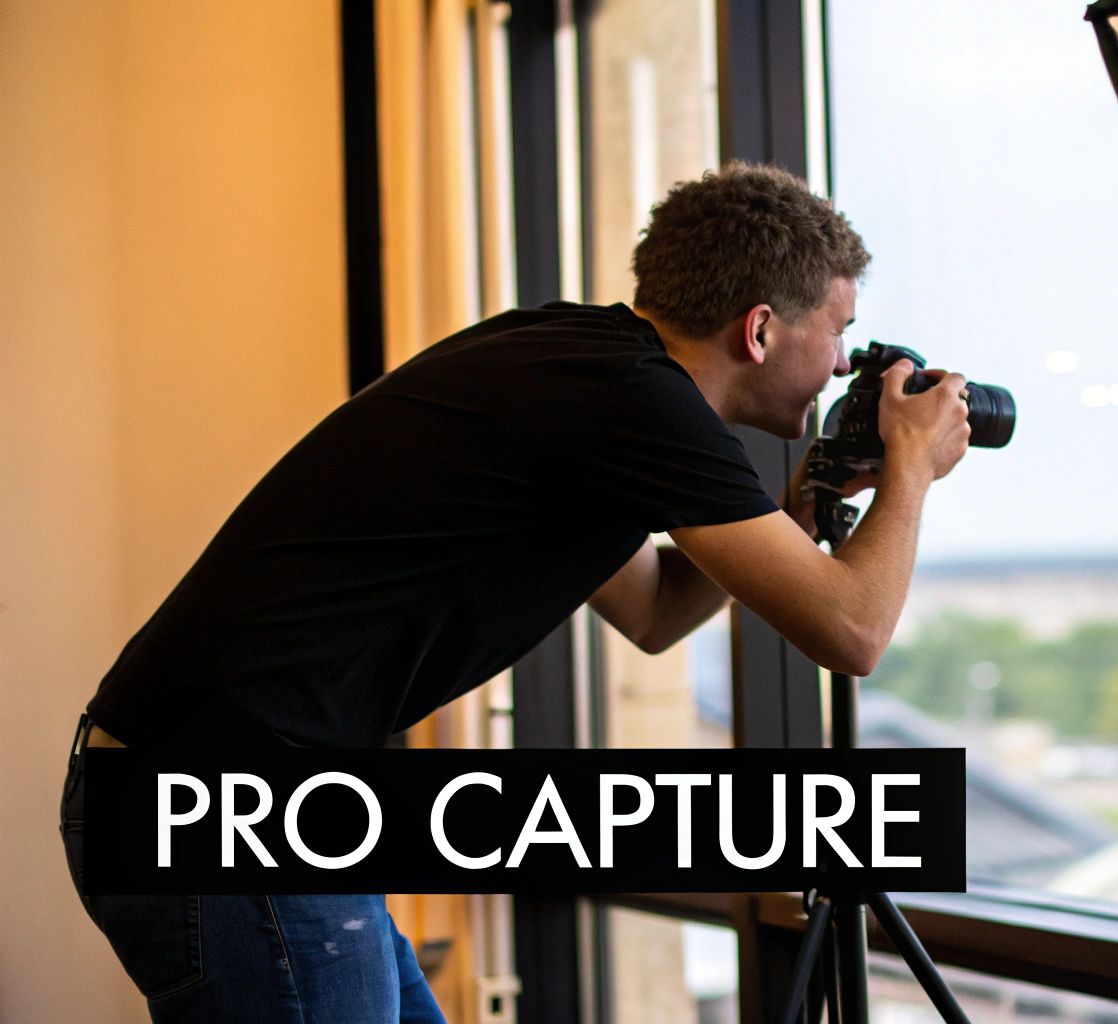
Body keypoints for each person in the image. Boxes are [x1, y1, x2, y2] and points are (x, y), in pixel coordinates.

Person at [60, 162, 973, 1023]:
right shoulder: (638, 402)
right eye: (841, 331)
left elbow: (655, 610)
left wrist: (796, 513)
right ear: (761, 328)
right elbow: (852, 632)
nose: (846, 364)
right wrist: (912, 469)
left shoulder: (574, 359)